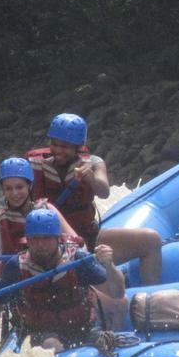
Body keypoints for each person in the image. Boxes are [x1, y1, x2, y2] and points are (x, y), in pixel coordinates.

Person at [29, 112, 163, 285]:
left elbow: (104, 191)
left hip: (89, 237)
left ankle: (148, 297)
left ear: (79, 146)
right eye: (54, 144)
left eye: (65, 146)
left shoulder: (93, 162)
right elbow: (18, 197)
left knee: (151, 240)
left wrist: (90, 177)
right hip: (52, 245)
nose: (58, 151)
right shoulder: (35, 165)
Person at [0, 209, 122, 354]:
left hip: (83, 328)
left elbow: (117, 292)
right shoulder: (16, 266)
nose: (40, 245)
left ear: (57, 238)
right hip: (39, 333)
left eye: (46, 238)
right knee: (51, 344)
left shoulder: (78, 259)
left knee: (110, 341)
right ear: (27, 240)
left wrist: (110, 266)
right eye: (35, 239)